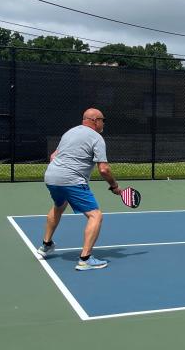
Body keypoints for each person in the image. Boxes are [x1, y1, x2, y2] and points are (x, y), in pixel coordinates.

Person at [37, 108, 122, 270]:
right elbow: (104, 169)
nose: (104, 123)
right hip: (72, 180)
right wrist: (114, 186)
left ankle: (46, 245)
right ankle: (85, 259)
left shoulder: (70, 133)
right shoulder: (97, 138)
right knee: (95, 215)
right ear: (95, 120)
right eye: (103, 120)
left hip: (51, 176)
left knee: (59, 206)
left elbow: (53, 156)